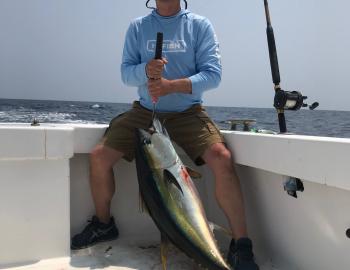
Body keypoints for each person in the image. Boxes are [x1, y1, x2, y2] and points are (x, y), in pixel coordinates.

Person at [71, 0, 259, 269]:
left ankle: (241, 244)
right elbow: (126, 74)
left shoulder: (199, 25)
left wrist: (173, 86)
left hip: (188, 112)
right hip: (145, 111)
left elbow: (213, 75)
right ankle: (103, 224)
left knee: (221, 157)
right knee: (100, 156)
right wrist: (146, 70)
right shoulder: (138, 27)